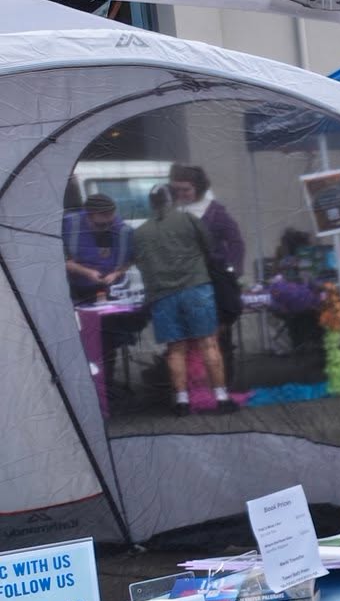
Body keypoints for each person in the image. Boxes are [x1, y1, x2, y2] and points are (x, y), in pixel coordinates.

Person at [133, 184, 235, 415]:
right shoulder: (188, 219)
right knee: (208, 343)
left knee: (175, 349)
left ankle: (181, 402)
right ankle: (222, 398)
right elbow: (209, 247)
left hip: (162, 295)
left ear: (151, 203)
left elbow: (140, 262)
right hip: (196, 287)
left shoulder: (139, 233)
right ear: (172, 200)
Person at [169, 163, 244, 382]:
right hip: (186, 280)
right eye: (177, 190)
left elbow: (236, 242)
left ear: (198, 188)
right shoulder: (174, 212)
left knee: (217, 333)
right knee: (192, 335)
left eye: (186, 189)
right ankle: (198, 385)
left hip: (214, 279)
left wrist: (232, 270)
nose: (181, 194)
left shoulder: (215, 212)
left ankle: (223, 383)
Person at [64, 192, 133, 301]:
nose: (106, 228)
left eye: (110, 223)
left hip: (115, 289)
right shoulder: (68, 225)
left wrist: (116, 274)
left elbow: (130, 261)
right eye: (100, 225)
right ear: (87, 215)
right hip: (78, 290)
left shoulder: (123, 230)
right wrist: (86, 272)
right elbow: (60, 261)